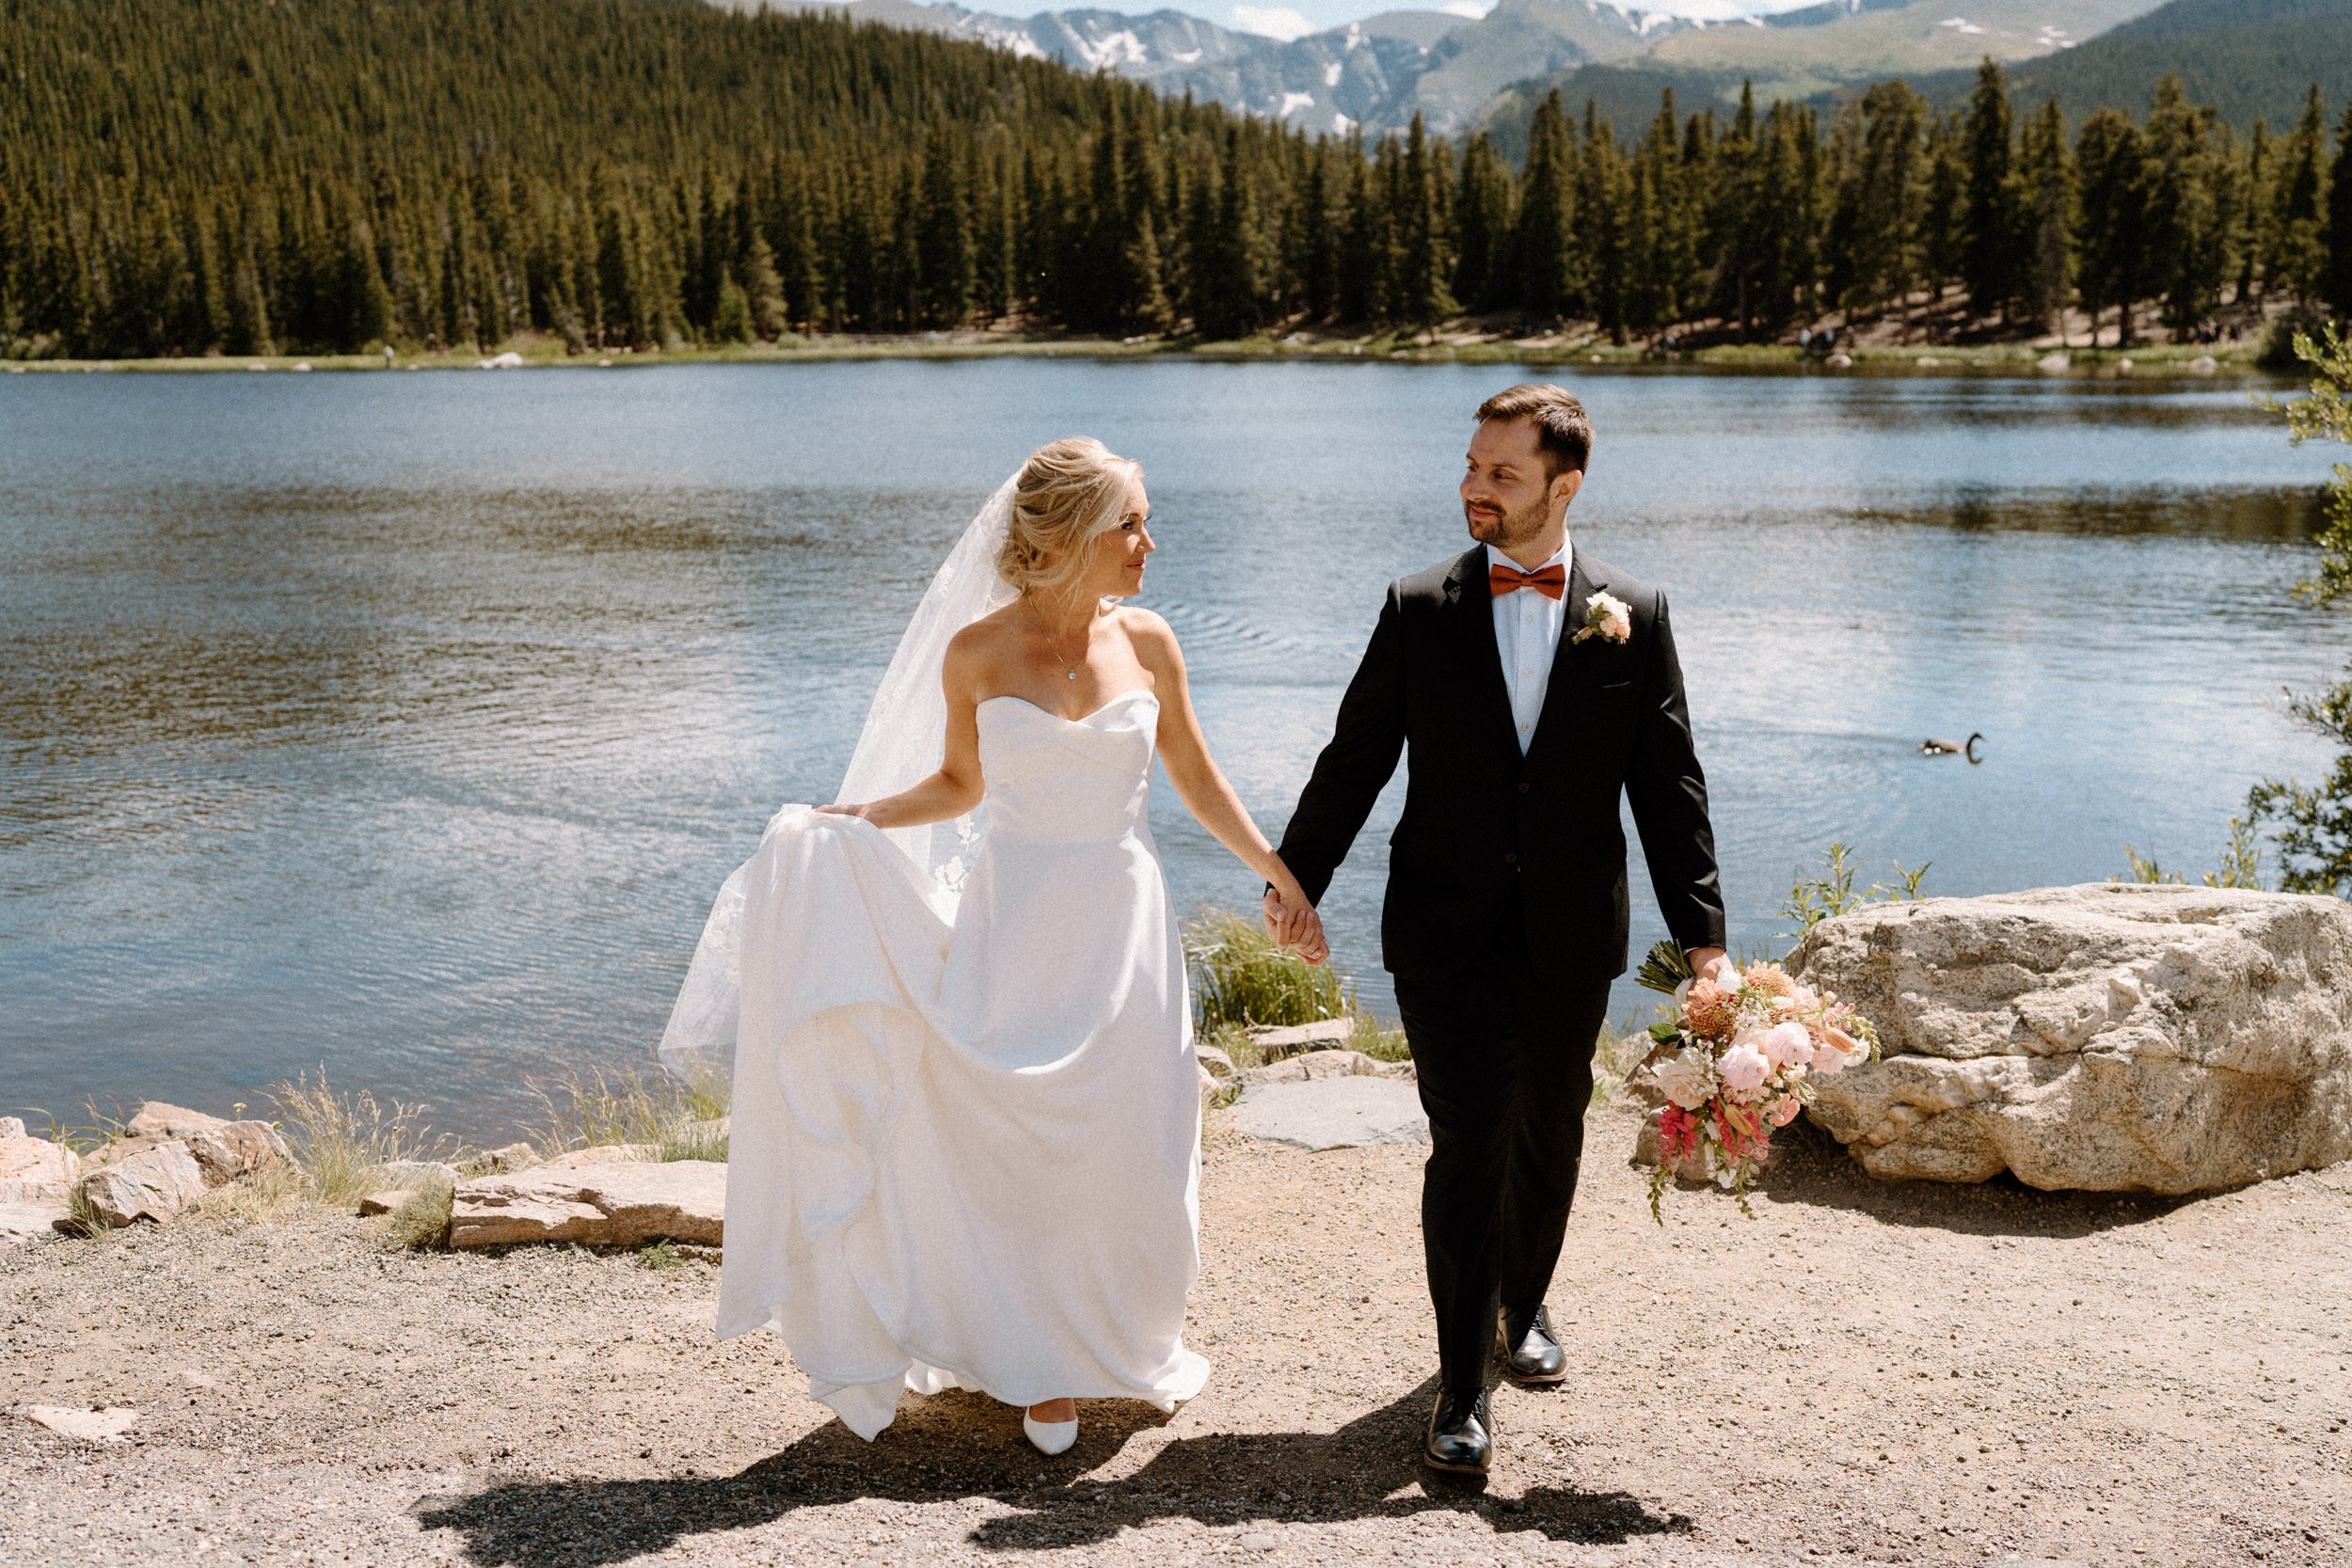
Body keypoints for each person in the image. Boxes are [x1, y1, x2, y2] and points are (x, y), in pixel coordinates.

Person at [660, 437, 1327, 1456]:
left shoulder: (1148, 639)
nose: (1150, 540)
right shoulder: (975, 649)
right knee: (1011, 1137)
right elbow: (962, 785)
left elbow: (1195, 776)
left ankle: (1115, 1334)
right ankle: (1036, 1363)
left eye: (1143, 519)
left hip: (1124, 923)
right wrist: (860, 820)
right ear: (1065, 537)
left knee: (1128, 1140)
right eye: (1131, 523)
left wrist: (1279, 874)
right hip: (1014, 921)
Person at [1266, 384, 1729, 1475]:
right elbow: (1355, 757)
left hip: (1573, 931)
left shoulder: (1635, 612)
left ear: (1563, 486)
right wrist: (1299, 881)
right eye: (1472, 466)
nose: (1475, 486)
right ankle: (1461, 1384)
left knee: (1551, 1128)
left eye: (1502, 472)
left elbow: (1671, 790)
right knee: (1469, 1140)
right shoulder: (1417, 604)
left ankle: (1524, 1302)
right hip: (1442, 926)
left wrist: (1704, 940)